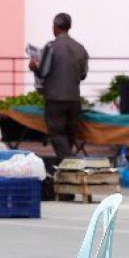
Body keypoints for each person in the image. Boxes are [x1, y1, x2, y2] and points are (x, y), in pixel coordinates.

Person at [29, 13, 89, 160]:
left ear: (54, 27)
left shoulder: (51, 47)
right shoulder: (81, 48)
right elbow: (83, 75)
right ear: (69, 27)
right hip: (74, 99)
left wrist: (34, 67)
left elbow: (43, 72)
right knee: (69, 135)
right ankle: (65, 166)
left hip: (55, 98)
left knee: (56, 133)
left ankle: (69, 164)